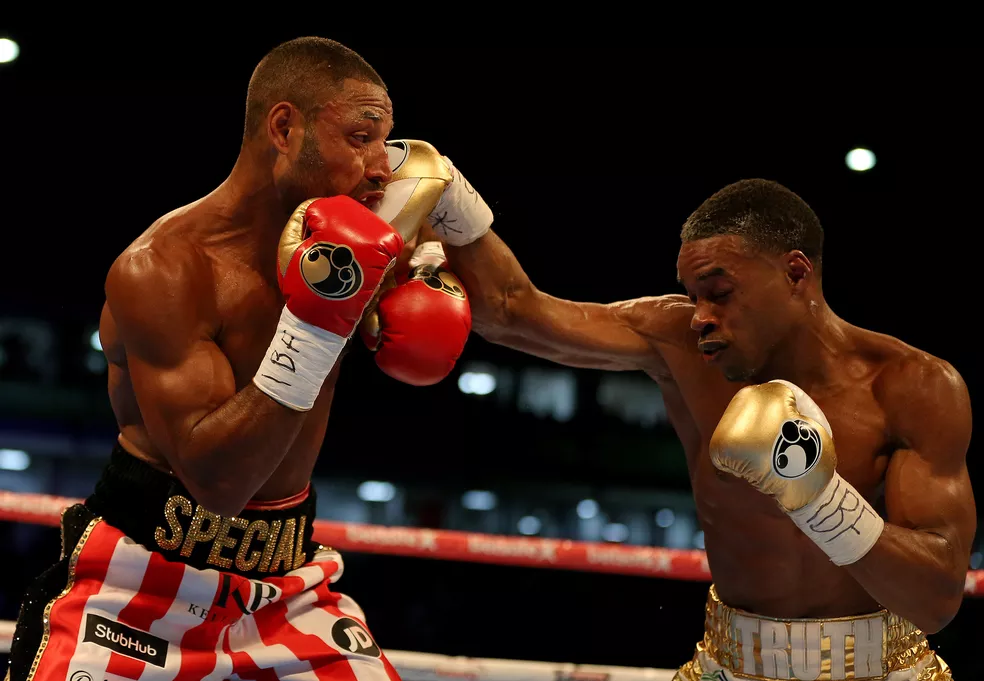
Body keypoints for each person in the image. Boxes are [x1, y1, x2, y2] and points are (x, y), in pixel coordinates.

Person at [5, 38, 471, 681]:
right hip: (137, 584)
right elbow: (220, 485)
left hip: (286, 589)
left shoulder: (379, 228)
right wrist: (319, 324)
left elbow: (519, 308)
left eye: (383, 143)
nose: (381, 169)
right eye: (360, 138)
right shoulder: (166, 268)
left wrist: (474, 226)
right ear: (284, 129)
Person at [411, 152, 975, 679]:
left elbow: (937, 599)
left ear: (796, 274)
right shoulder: (678, 342)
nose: (700, 316)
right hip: (727, 663)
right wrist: (448, 197)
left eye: (719, 292)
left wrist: (820, 498)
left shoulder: (913, 387)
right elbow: (512, 311)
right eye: (692, 295)